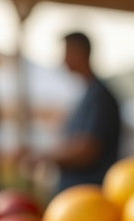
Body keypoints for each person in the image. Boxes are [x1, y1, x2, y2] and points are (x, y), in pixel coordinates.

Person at [48, 32, 123, 193]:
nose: (63, 60)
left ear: (80, 53)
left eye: (67, 52)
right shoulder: (89, 93)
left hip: (88, 194)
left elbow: (88, 150)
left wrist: (47, 157)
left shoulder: (99, 97)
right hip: (78, 197)